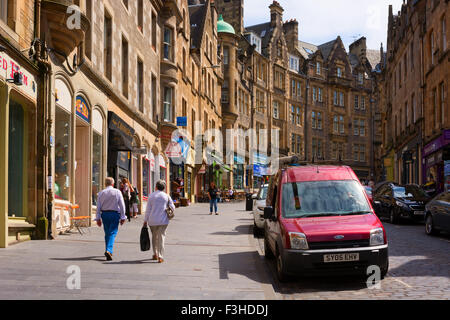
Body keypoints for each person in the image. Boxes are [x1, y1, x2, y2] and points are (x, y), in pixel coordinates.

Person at [95, 177, 127, 261]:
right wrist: (123, 217)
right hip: (114, 214)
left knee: (107, 232)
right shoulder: (117, 192)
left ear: (105, 184)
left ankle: (108, 250)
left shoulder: (101, 193)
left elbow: (98, 207)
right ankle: (109, 250)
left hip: (104, 214)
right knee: (112, 232)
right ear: (113, 184)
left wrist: (98, 218)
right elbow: (122, 205)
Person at [143, 180, 175, 263]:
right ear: (164, 188)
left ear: (156, 186)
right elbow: (172, 207)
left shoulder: (151, 196)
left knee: (154, 237)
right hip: (163, 220)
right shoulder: (166, 196)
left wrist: (145, 220)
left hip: (152, 220)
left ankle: (155, 254)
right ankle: (161, 256)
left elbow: (148, 210)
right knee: (161, 237)